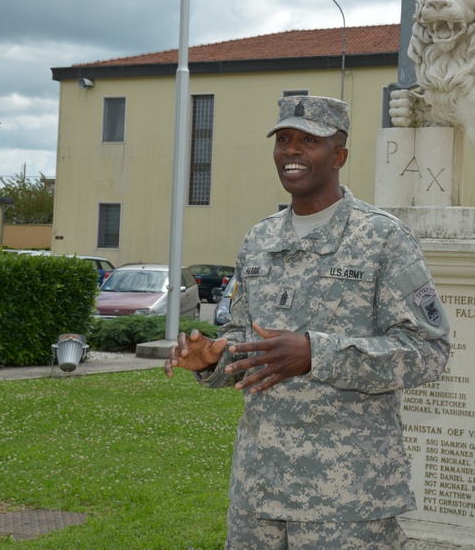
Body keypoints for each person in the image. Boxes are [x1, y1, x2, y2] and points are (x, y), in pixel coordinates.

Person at [165, 95, 450, 550]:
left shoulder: (382, 238)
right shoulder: (259, 240)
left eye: (308, 140)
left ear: (339, 156)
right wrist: (213, 359)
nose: (291, 150)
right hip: (258, 491)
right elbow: (246, 340)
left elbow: (429, 353)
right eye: (283, 139)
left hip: (347, 501)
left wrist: (318, 354)